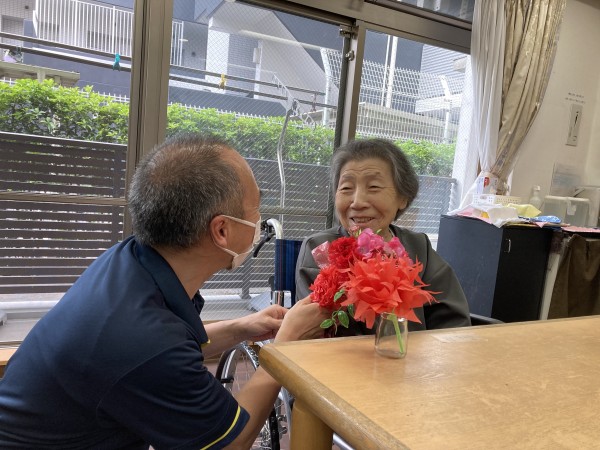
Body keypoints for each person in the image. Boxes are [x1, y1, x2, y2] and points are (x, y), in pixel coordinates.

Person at [0, 134, 328, 449]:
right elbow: (230, 444)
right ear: (222, 230)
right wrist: (284, 348)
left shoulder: (130, 261)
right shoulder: (142, 338)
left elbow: (165, 354)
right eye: (255, 208)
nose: (260, 221)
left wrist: (241, 328)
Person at [296, 138, 471, 333]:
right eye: (346, 188)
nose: (357, 202)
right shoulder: (320, 249)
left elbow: (453, 325)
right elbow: (309, 332)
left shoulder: (419, 247)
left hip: (412, 352)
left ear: (403, 198)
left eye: (374, 187)